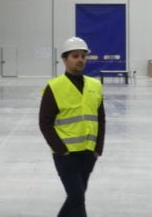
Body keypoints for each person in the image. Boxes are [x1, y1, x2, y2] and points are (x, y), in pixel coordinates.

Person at [39, 37, 105, 217]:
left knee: (75, 197)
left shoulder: (95, 86)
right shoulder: (54, 87)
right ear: (65, 60)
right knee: (77, 198)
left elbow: (101, 119)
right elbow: (45, 123)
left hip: (88, 153)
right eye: (75, 56)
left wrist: (98, 149)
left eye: (83, 56)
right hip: (66, 155)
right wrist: (62, 151)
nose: (80, 60)